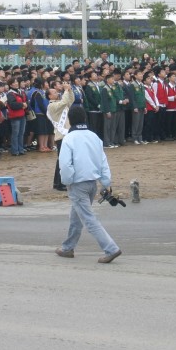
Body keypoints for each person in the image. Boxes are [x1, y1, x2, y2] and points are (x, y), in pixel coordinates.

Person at [54, 106, 122, 264]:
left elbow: (64, 165)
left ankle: (111, 248)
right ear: (84, 118)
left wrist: (68, 181)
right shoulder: (94, 137)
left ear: (69, 120)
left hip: (77, 183)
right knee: (76, 215)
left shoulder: (69, 139)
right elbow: (103, 161)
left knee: (88, 219)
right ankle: (68, 247)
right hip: (92, 183)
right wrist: (106, 182)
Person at [48, 80, 76, 191]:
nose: (57, 93)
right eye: (54, 92)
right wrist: (65, 90)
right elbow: (64, 102)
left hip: (66, 134)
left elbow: (70, 100)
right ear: (49, 96)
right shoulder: (52, 106)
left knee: (63, 159)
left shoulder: (59, 103)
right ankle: (59, 183)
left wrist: (69, 90)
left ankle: (57, 182)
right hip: (61, 135)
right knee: (62, 160)